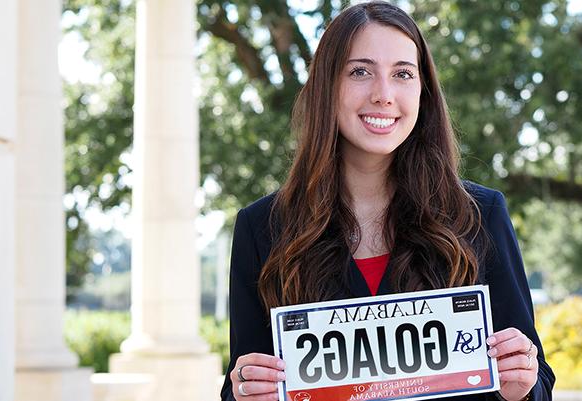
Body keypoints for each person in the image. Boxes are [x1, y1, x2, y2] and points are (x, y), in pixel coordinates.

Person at [220, 2, 555, 400]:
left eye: (402, 74)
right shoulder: (262, 227)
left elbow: (538, 384)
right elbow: (240, 383)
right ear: (327, 85)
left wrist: (520, 384)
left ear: (423, 91)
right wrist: (245, 389)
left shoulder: (481, 215)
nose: (383, 94)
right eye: (360, 71)